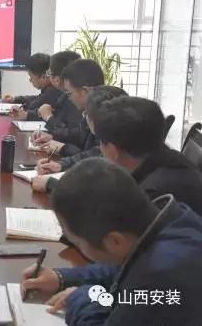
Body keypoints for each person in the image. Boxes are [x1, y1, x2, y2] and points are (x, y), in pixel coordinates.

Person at [22, 158, 202, 325]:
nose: (78, 246)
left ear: (114, 240)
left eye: (77, 242)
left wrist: (81, 297)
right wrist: (62, 278)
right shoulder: (168, 220)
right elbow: (121, 268)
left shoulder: (159, 276)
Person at [92, 96, 202, 215]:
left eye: (101, 142)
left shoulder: (151, 197)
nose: (100, 149)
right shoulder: (169, 158)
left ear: (113, 150)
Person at [32, 85, 127, 192]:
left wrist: (51, 184)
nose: (85, 117)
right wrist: (61, 165)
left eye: (86, 113)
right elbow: (93, 154)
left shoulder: (117, 151)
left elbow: (99, 195)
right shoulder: (114, 138)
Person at [34, 59, 105, 157]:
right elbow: (79, 135)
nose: (68, 98)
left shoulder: (105, 115)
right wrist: (52, 136)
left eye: (69, 93)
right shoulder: (91, 110)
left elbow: (95, 157)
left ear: (85, 91)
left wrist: (63, 148)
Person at [35, 51, 83, 142]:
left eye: (49, 72)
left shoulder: (76, 98)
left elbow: (74, 136)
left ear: (57, 80)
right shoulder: (65, 93)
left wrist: (49, 118)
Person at [1, 53, 62, 120]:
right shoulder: (50, 89)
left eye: (31, 77)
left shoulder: (52, 92)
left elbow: (32, 106)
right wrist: (15, 99)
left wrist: (23, 111)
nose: (30, 80)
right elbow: (37, 98)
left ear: (43, 77)